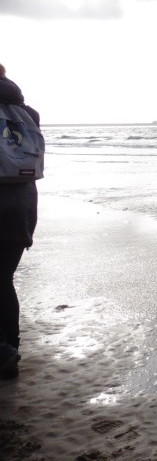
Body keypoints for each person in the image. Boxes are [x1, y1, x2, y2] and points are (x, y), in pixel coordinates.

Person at [0, 63, 40, 379]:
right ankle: (9, 348)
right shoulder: (28, 114)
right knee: (3, 279)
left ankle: (5, 351)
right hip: (22, 209)